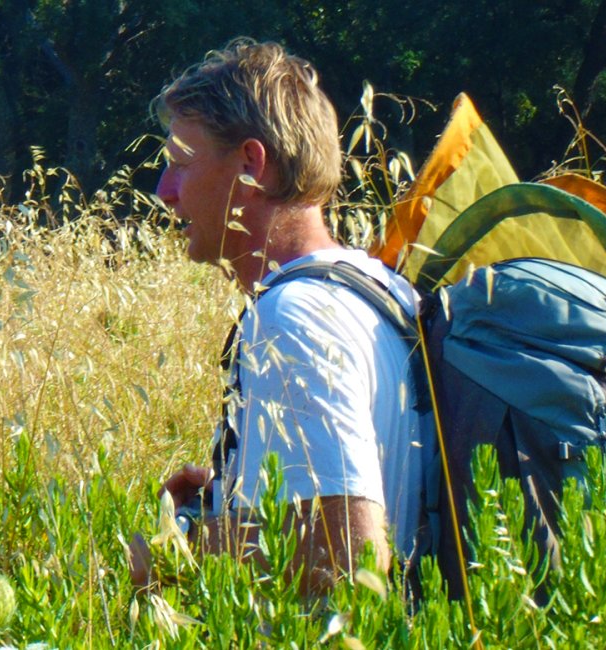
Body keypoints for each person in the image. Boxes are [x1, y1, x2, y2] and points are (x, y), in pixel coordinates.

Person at [131, 38, 426, 597]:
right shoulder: (379, 290)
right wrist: (235, 498)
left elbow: (348, 557)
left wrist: (176, 556)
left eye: (180, 164)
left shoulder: (294, 317)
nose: (165, 193)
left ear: (251, 164)